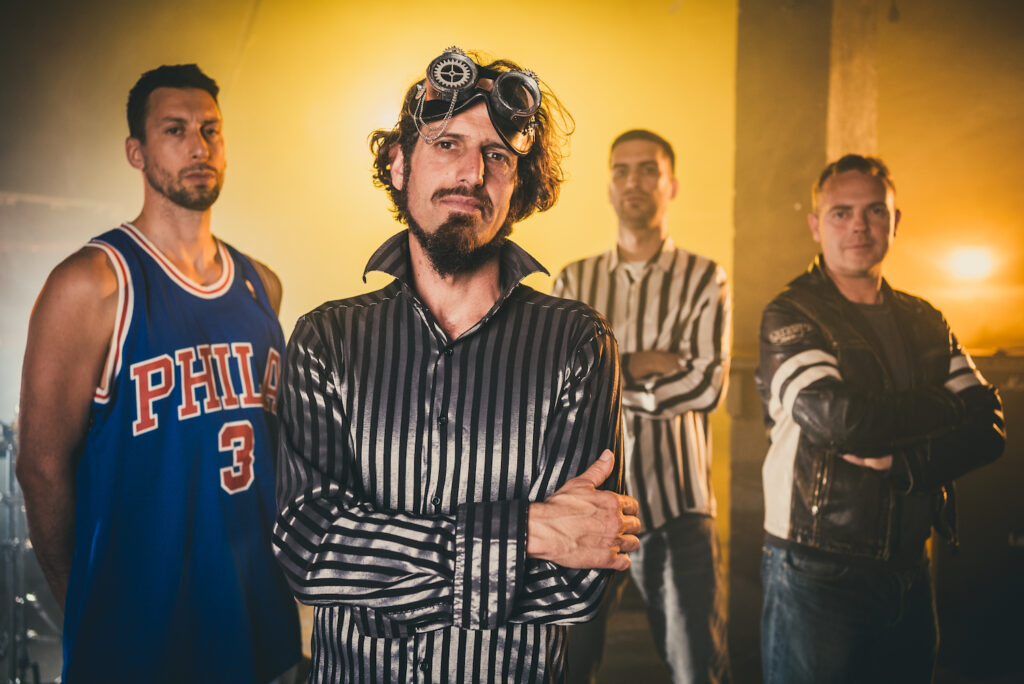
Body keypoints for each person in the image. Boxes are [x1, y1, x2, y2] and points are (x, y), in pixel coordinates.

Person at [271, 47, 641, 683]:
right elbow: (311, 550)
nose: (472, 172)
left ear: (518, 184)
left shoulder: (577, 343)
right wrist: (526, 532)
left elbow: (579, 585)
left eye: (498, 155)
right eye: (447, 144)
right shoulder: (326, 339)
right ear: (399, 163)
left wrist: (378, 562)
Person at [16, 64, 301, 682]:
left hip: (258, 621)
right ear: (136, 152)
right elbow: (39, 467)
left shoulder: (262, 285)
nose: (199, 147)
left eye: (210, 130)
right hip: (141, 636)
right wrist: (86, 607)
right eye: (175, 130)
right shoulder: (92, 285)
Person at [756, 154, 1005, 683]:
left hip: (911, 564)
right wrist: (943, 404)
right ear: (816, 225)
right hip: (816, 567)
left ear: (895, 221)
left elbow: (989, 427)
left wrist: (903, 464)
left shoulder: (926, 319)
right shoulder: (791, 313)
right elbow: (840, 422)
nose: (859, 226)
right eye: (841, 213)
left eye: (874, 210)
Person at [552, 129, 732, 684]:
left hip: (679, 508)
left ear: (670, 185)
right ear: (609, 186)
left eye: (649, 170)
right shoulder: (573, 279)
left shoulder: (705, 277)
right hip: (589, 504)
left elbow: (706, 386)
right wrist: (644, 363)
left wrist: (606, 375)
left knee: (696, 668)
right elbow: (558, 391)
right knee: (568, 666)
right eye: (622, 170)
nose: (634, 181)